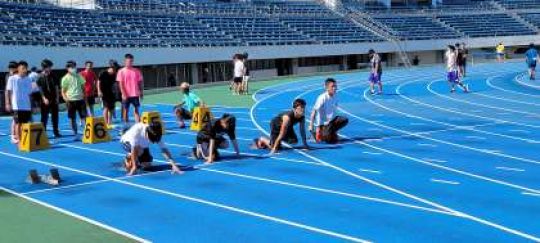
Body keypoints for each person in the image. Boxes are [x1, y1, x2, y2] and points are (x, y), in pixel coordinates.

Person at [309, 78, 349, 144]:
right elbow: (314, 111)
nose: (335, 88)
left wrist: (335, 130)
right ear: (327, 88)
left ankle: (332, 132)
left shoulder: (335, 96)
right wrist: (313, 126)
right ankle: (321, 133)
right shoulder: (322, 98)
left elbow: (333, 111)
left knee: (344, 120)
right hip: (323, 124)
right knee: (329, 141)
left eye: (335, 86)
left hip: (332, 121)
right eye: (332, 86)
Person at [5, 61, 33, 144]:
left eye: (25, 68)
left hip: (26, 105)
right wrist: (7, 103)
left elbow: (29, 93)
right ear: (18, 69)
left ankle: (24, 140)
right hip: (17, 105)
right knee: (18, 123)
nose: (24, 70)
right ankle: (19, 140)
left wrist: (31, 105)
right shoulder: (12, 78)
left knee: (25, 124)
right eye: (22, 68)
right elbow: (8, 91)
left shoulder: (28, 79)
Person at [61, 60, 87, 141]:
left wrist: (84, 96)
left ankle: (87, 132)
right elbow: (63, 91)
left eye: (74, 67)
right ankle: (75, 133)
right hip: (71, 100)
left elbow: (83, 87)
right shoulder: (65, 78)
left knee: (84, 117)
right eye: (71, 67)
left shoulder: (79, 76)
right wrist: (66, 99)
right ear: (67, 68)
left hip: (80, 99)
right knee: (72, 118)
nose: (73, 68)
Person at [36, 59, 61, 138]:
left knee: (55, 116)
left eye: (50, 67)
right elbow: (40, 89)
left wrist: (57, 97)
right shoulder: (40, 77)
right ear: (44, 67)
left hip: (53, 98)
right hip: (45, 100)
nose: (50, 68)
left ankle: (56, 131)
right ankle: (43, 132)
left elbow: (57, 87)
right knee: (44, 117)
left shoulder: (54, 75)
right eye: (49, 67)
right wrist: (44, 98)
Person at [117, 53, 143, 127]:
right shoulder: (121, 71)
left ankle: (138, 126)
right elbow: (120, 84)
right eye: (128, 61)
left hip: (135, 94)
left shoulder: (137, 71)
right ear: (125, 61)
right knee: (126, 111)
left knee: (136, 110)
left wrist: (141, 92)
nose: (130, 62)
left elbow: (140, 82)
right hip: (126, 95)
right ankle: (126, 126)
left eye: (131, 61)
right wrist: (123, 94)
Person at [98, 60, 120, 128]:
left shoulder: (114, 74)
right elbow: (98, 82)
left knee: (111, 108)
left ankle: (109, 123)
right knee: (106, 108)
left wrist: (117, 92)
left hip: (112, 93)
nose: (116, 68)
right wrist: (99, 91)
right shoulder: (103, 73)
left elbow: (115, 83)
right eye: (115, 67)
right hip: (104, 93)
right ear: (111, 67)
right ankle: (105, 123)